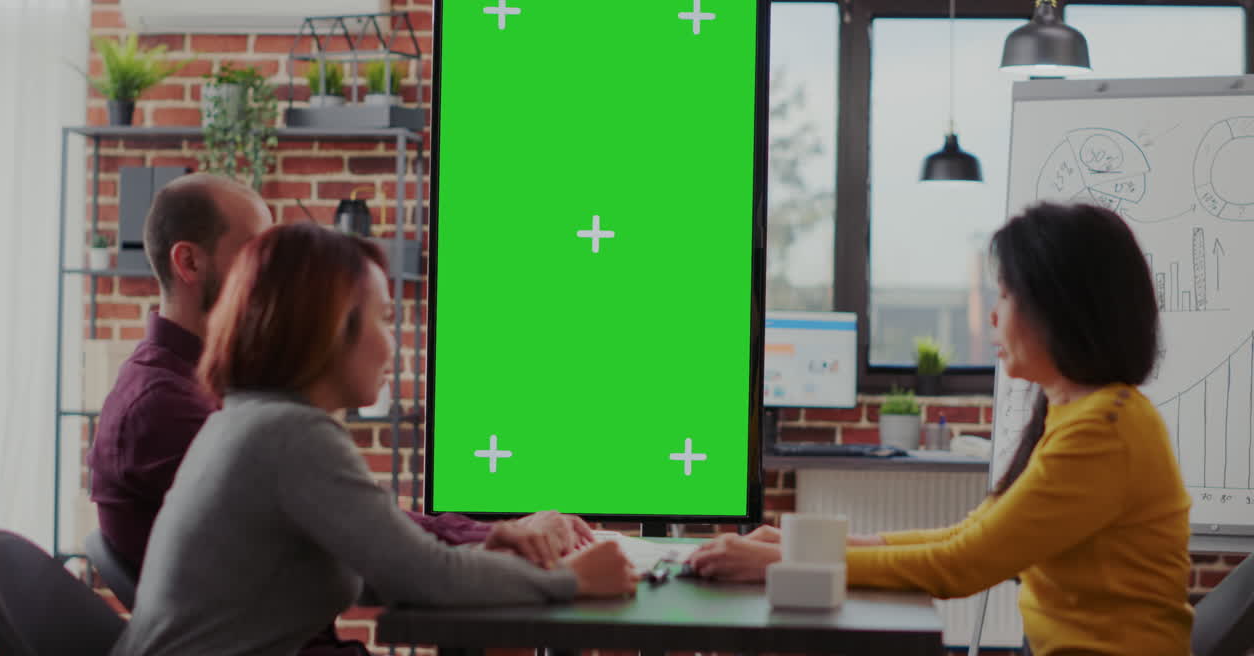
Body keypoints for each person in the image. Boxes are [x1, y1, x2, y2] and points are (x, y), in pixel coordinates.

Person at [688, 202, 1193, 655]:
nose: (993, 316)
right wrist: (790, 549)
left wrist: (780, 563)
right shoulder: (1079, 411)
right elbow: (966, 534)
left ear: (1062, 307)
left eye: (1007, 295)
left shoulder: (1104, 429)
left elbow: (958, 565)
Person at [111, 224, 639, 656]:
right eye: (385, 318)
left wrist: (491, 550)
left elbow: (386, 566)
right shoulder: (288, 435)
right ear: (328, 327)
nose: (394, 342)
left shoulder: (252, 420)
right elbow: (424, 578)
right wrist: (570, 581)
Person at [89, 174, 592, 575]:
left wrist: (497, 533)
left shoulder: (219, 397)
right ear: (189, 262)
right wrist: (509, 540)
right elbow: (377, 542)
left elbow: (362, 523)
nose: (272, 277)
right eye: (254, 254)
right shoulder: (164, 407)